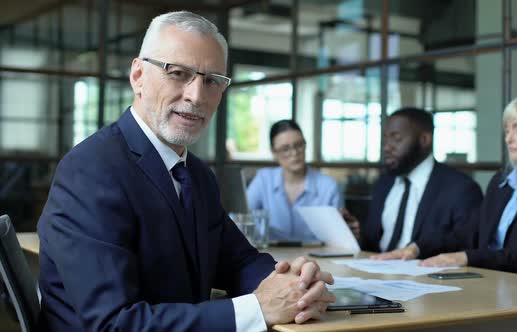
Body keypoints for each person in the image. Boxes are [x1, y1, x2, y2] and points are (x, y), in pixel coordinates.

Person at [36, 11, 334, 331]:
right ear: (138, 75)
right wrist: (257, 309)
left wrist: (295, 279)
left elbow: (238, 261)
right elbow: (114, 323)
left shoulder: (197, 174)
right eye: (178, 73)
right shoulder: (90, 170)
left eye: (212, 81)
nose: (196, 96)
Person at [374, 93, 517, 279]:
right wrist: (416, 248)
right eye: (507, 130)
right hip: (492, 283)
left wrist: (467, 257)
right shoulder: (501, 182)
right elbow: (469, 232)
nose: (509, 138)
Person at [342, 107, 483, 253]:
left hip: (426, 272)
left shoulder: (460, 188)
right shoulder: (384, 184)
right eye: (385, 139)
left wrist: (419, 249)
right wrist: (358, 234)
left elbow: (467, 243)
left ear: (424, 140)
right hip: (378, 270)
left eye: (396, 139)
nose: (386, 147)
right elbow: (374, 243)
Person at [247, 119, 342, 241]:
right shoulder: (263, 180)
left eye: (299, 145)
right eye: (285, 148)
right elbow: (241, 216)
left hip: (316, 256)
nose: (294, 153)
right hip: (272, 254)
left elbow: (340, 237)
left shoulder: (329, 186)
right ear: (274, 152)